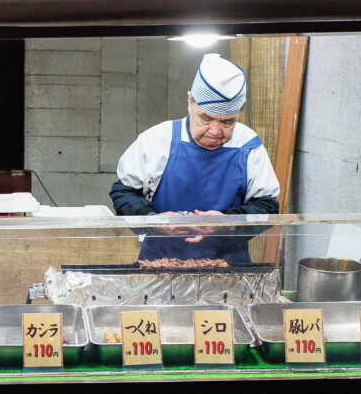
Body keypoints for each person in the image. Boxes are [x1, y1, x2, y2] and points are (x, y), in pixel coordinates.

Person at [110, 53, 280, 264]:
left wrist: (228, 222)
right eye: (206, 118)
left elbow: (267, 206)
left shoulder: (248, 145)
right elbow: (124, 193)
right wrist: (154, 220)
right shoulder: (156, 140)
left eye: (228, 122)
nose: (215, 131)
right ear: (190, 100)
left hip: (228, 268)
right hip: (161, 265)